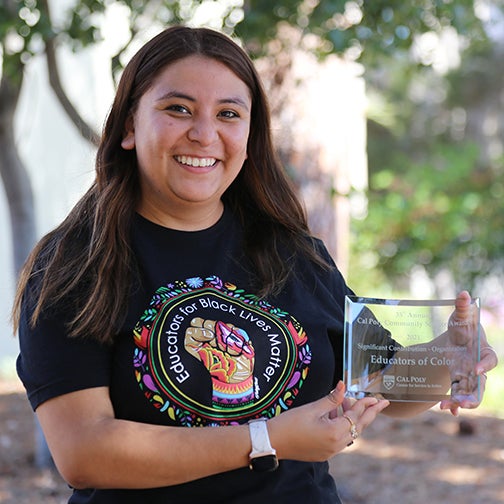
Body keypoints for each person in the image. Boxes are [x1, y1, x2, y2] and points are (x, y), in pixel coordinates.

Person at [12, 25, 498, 504]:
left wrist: (449, 354)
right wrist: (266, 440)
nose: (204, 134)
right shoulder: (76, 265)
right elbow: (84, 452)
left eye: (228, 113)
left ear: (249, 135)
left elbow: (384, 381)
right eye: (177, 108)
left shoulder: (292, 253)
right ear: (128, 127)